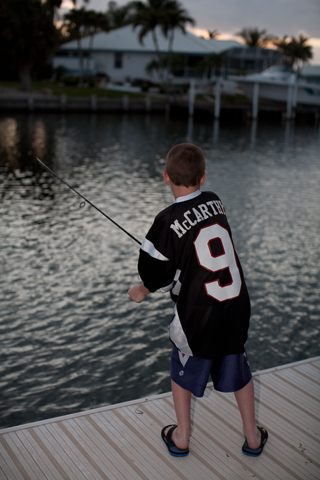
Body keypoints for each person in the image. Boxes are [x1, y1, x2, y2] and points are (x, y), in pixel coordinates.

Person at [128, 143, 268, 458]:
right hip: (234, 308)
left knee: (181, 371)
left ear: (166, 177)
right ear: (203, 178)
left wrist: (142, 288)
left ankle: (181, 436)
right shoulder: (215, 203)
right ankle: (252, 436)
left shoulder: (166, 219)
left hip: (198, 318)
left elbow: (158, 272)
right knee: (239, 366)